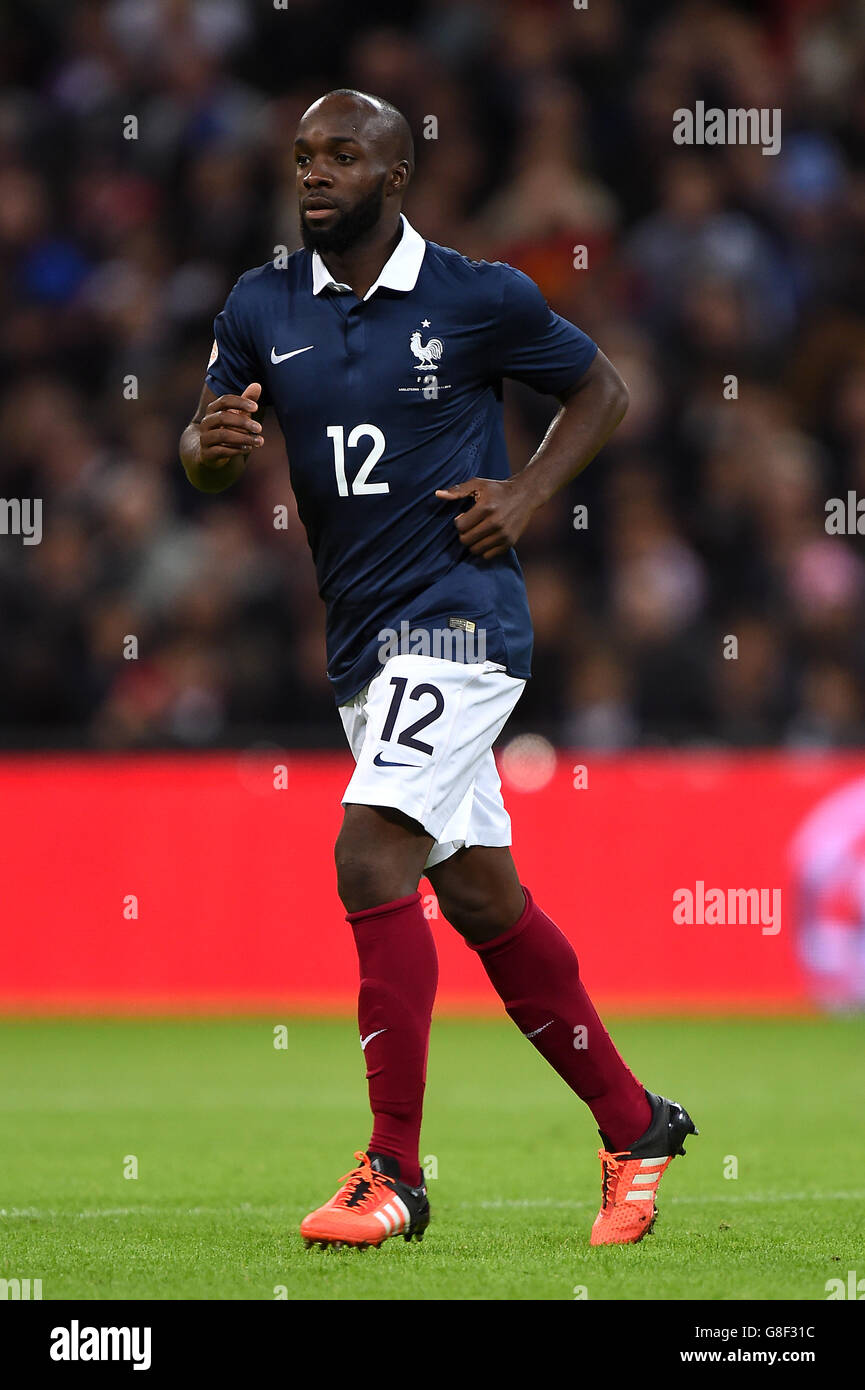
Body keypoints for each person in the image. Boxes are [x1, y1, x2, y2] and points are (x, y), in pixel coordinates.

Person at [179, 89, 696, 1249]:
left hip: (459, 627)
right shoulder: (261, 306)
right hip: (363, 645)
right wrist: (204, 451)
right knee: (478, 896)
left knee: (368, 848)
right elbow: (206, 445)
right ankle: (635, 1122)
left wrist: (523, 494)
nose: (314, 173)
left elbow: (601, 388)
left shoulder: (478, 295)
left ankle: (393, 1174)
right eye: (303, 155)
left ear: (397, 175)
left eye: (343, 155)